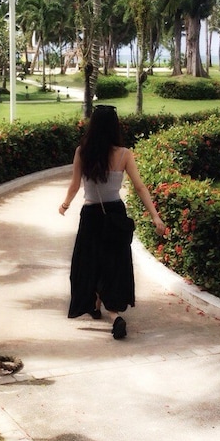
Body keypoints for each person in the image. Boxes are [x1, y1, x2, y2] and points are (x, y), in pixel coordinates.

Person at [59, 105, 166, 340]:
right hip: (115, 215)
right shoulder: (124, 154)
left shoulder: (82, 152)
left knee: (88, 262)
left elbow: (75, 186)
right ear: (115, 126)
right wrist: (155, 215)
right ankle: (111, 313)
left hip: (91, 215)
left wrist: (65, 205)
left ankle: (100, 308)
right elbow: (139, 187)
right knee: (113, 264)